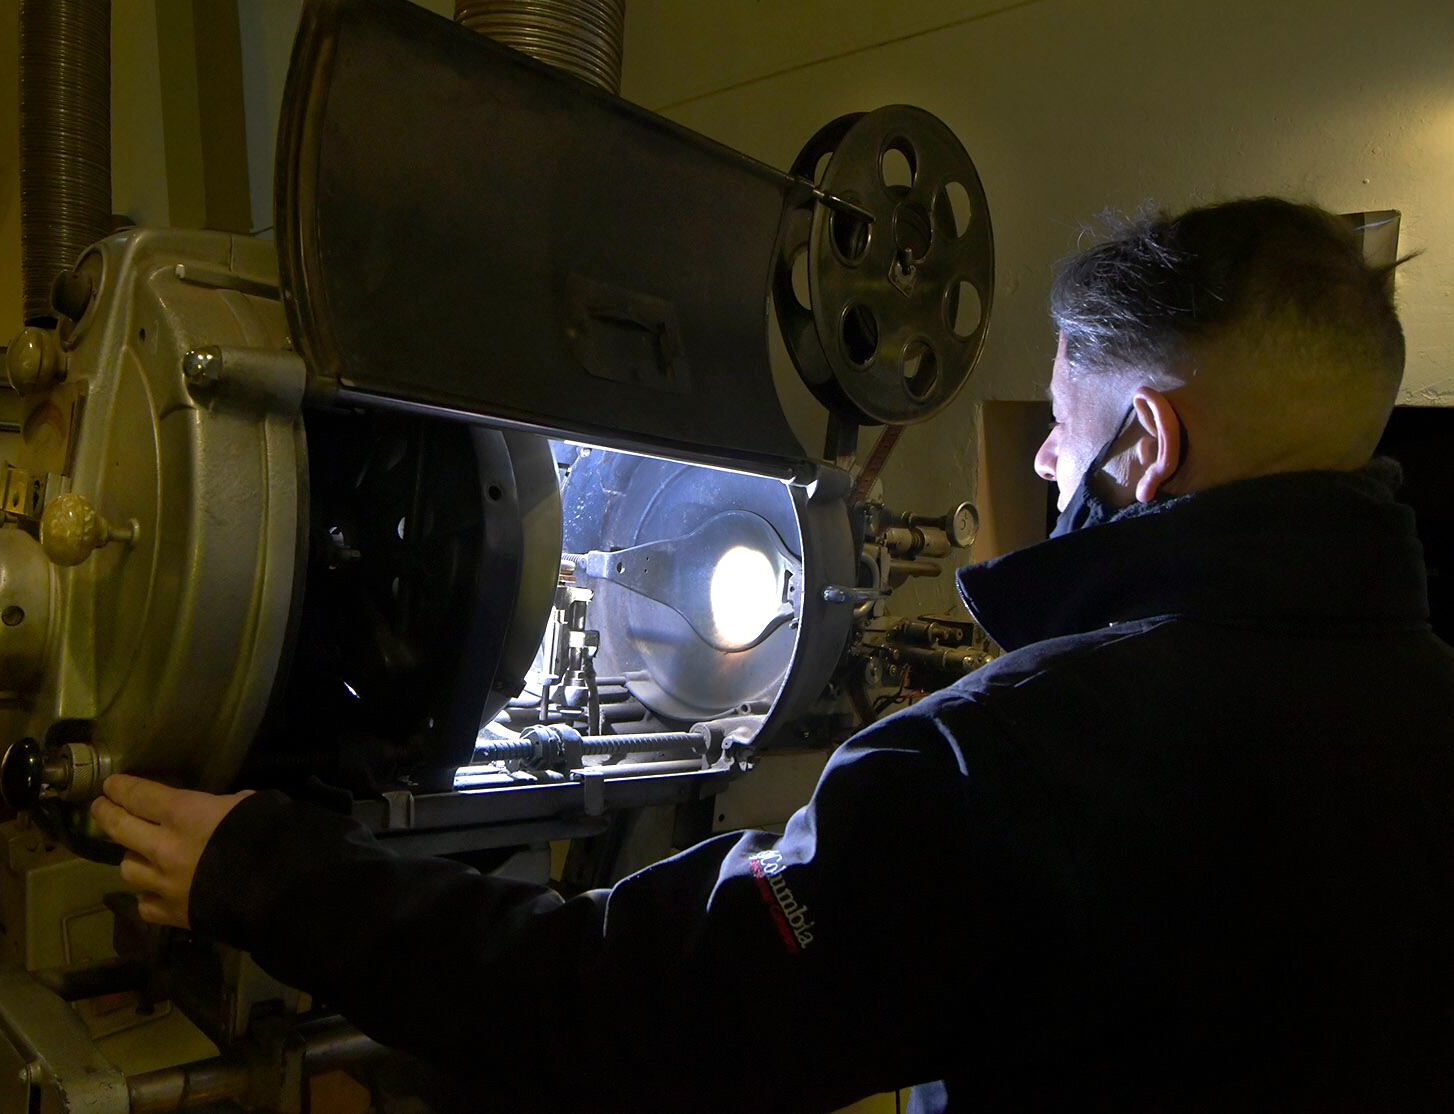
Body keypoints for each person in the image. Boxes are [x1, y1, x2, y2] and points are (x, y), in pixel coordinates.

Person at [91, 198, 1453, 1111]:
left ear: (1144, 443)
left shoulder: (1017, 757)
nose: (1044, 454)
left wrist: (268, 874)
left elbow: (623, 1010)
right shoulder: (1421, 697)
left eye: (1061, 415)